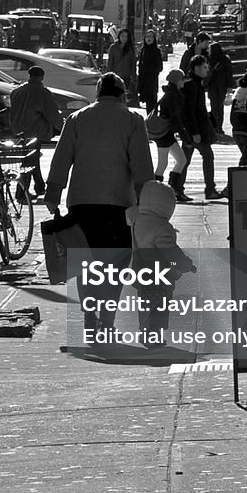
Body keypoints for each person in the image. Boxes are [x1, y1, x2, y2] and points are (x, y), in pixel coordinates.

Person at [44, 72, 154, 332]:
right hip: (119, 206)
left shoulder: (77, 119)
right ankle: (106, 320)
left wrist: (53, 193)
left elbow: (61, 159)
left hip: (81, 204)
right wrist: (146, 203)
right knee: (114, 265)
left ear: (97, 93)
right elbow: (142, 168)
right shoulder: (132, 120)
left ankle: (90, 316)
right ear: (122, 94)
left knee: (86, 264)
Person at [125, 179, 197, 344]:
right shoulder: (161, 226)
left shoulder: (137, 220)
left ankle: (145, 332)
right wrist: (185, 264)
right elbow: (170, 252)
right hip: (159, 275)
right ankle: (153, 335)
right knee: (159, 307)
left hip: (140, 270)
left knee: (145, 305)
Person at [9, 65, 63, 198]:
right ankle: (22, 192)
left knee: (32, 159)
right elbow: (52, 113)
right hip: (35, 130)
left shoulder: (17, 92)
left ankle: (39, 187)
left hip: (19, 130)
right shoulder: (42, 92)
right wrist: (62, 128)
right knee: (30, 161)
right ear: (42, 77)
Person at [182, 56, 220, 200]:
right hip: (196, 131)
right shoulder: (192, 85)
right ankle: (210, 189)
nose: (207, 69)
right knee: (207, 156)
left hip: (193, 130)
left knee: (184, 160)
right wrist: (195, 132)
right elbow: (189, 111)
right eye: (204, 67)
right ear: (197, 68)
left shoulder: (196, 84)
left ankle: (178, 188)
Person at [153, 69, 192, 203]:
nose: (183, 82)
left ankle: (171, 190)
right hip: (164, 134)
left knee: (178, 161)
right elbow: (176, 118)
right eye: (182, 79)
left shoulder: (171, 94)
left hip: (165, 133)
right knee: (167, 162)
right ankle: (164, 190)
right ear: (177, 81)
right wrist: (185, 137)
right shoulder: (173, 96)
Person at [136, 29, 164, 114]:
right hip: (143, 80)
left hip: (152, 81)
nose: (149, 39)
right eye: (147, 36)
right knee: (146, 102)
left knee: (152, 103)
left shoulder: (156, 51)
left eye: (151, 37)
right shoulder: (143, 50)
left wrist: (151, 71)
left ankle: (152, 121)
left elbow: (160, 67)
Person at [106, 28, 136, 101]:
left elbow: (133, 64)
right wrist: (109, 75)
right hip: (115, 76)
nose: (124, 38)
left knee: (123, 97)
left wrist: (134, 77)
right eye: (122, 36)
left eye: (126, 36)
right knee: (114, 96)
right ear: (119, 36)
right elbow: (110, 62)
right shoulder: (113, 47)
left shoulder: (130, 49)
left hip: (126, 77)